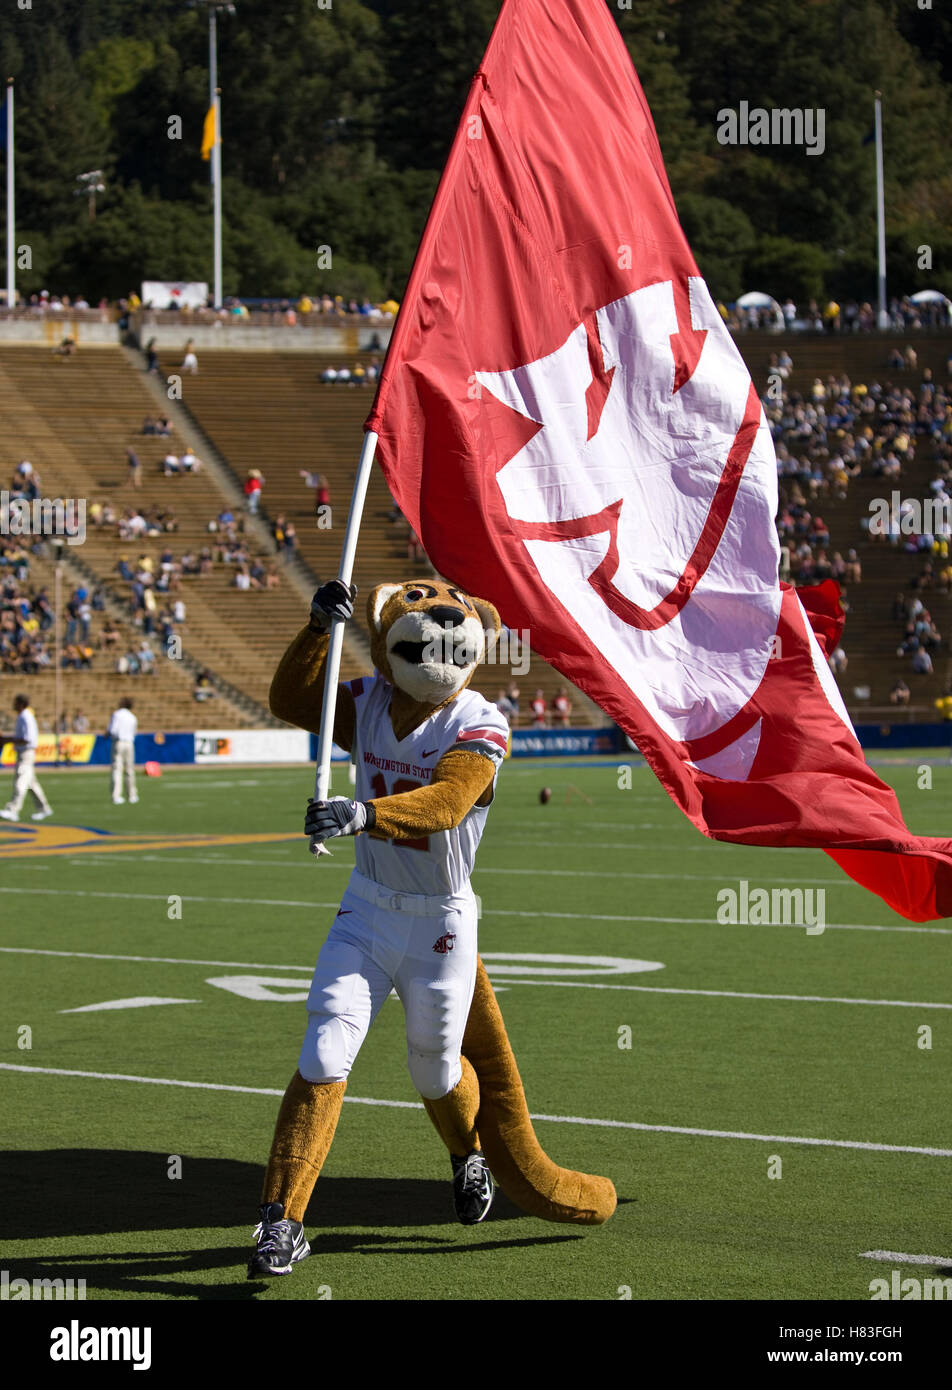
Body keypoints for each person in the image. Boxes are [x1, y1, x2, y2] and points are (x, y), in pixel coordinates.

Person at [0, 693, 53, 823]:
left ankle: (13, 810)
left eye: (16, 702)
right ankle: (44, 808)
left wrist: (7, 740)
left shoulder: (26, 717)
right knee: (31, 783)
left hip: (26, 753)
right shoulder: (23, 716)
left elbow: (27, 739)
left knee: (21, 781)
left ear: (21, 704)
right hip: (23, 752)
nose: (13, 705)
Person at [108, 697, 138, 806]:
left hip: (118, 742)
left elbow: (113, 730)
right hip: (129, 743)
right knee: (129, 770)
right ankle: (132, 795)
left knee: (117, 769)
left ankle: (116, 796)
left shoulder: (117, 714)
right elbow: (134, 732)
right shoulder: (132, 717)